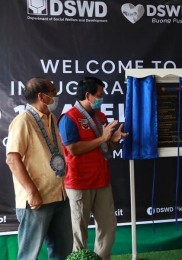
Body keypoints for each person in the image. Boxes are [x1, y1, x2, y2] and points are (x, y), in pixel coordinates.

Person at [58, 76, 128, 259]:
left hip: (102, 180)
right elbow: (72, 148)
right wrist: (103, 139)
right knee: (79, 232)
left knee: (108, 226)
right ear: (88, 95)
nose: (102, 98)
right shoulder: (69, 118)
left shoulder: (100, 116)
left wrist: (113, 140)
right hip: (79, 183)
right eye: (99, 94)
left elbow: (103, 146)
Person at [5, 77, 73, 259]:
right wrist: (31, 191)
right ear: (42, 97)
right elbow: (12, 159)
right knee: (29, 254)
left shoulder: (52, 118)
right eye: (53, 92)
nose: (56, 96)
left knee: (62, 251)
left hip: (60, 195)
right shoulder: (23, 121)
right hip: (36, 200)